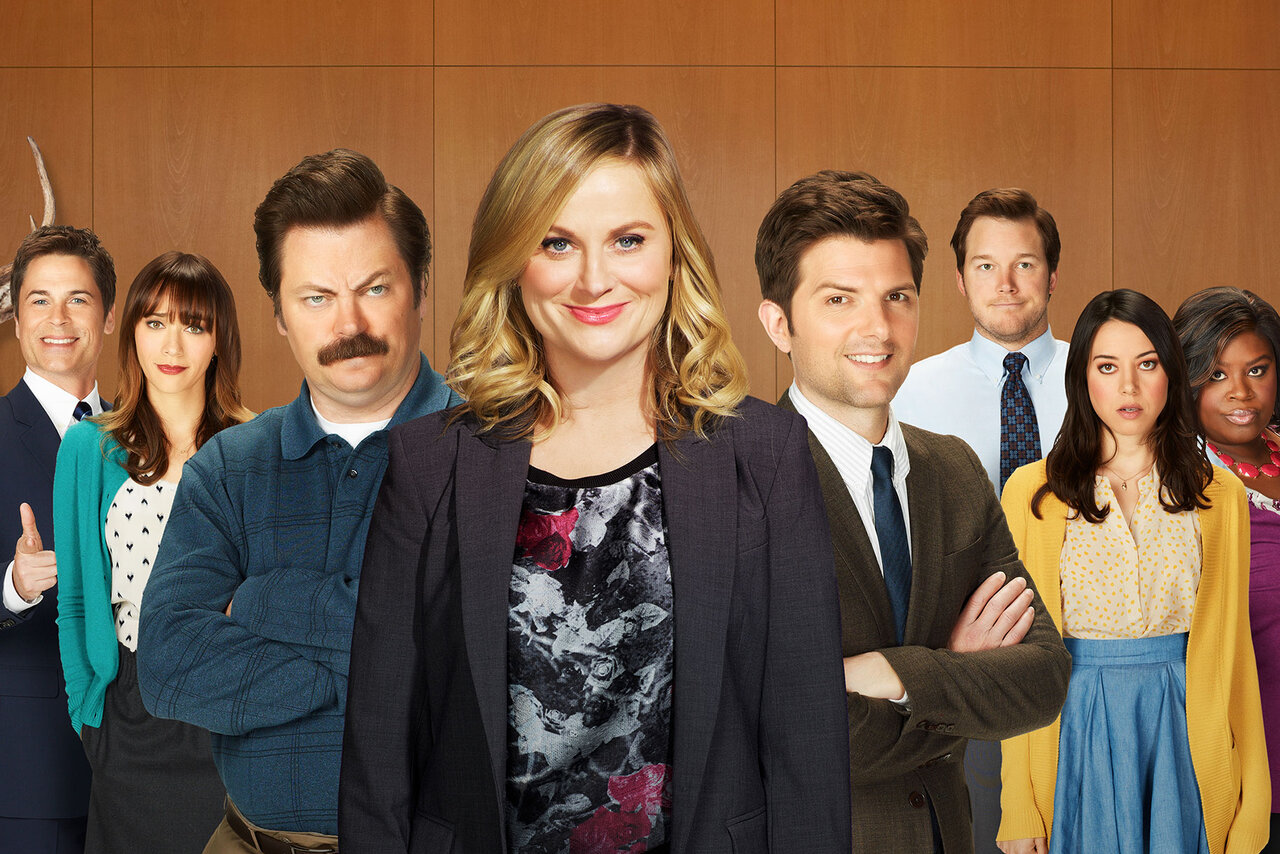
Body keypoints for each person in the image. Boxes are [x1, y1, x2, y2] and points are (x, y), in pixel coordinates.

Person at [339, 103, 851, 853]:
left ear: (674, 254)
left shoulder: (766, 456)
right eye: (556, 243)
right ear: (514, 259)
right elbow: (380, 752)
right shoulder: (428, 464)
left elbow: (807, 747)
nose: (593, 279)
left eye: (628, 240)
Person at [137, 149, 460, 854]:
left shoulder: (496, 454)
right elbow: (164, 665)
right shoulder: (229, 468)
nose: (349, 323)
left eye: (374, 289)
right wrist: (383, 659)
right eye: (315, 298)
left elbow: (483, 659)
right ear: (280, 315)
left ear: (420, 290)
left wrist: (259, 604)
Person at [754, 170, 1070, 854]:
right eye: (840, 299)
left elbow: (1043, 679)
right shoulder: (736, 480)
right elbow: (787, 731)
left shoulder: (952, 469)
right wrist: (949, 668)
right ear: (779, 323)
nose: (878, 327)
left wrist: (893, 674)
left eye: (896, 296)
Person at [998, 289, 1269, 854]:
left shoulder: (1220, 495)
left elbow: (1234, 657)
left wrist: (1251, 813)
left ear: (1171, 374)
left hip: (1184, 726)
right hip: (1071, 720)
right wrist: (1019, 808)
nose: (1128, 387)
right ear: (1083, 379)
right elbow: (1016, 662)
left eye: (1147, 364)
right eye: (1107, 366)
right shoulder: (1032, 493)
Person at [892, 187, 1069, 854]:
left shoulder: (1111, 378)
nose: (1006, 283)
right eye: (985, 265)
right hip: (962, 658)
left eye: (1024, 263)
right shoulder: (907, 388)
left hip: (1090, 659)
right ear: (961, 277)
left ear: (1052, 273)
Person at [54, 251, 250, 853]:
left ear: (218, 340)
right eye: (156, 321)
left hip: (226, 708)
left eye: (194, 325)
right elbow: (77, 601)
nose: (173, 343)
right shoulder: (89, 448)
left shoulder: (255, 447)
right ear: (132, 330)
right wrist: (90, 717)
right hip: (127, 714)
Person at [0, 226, 115, 853]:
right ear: (17, 320)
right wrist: (13, 587)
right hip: (29, 774)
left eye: (78, 298)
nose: (59, 318)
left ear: (107, 314)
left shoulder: (151, 436)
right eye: (40, 300)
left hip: (143, 764)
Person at [1175, 286, 1280, 854]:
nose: (1240, 393)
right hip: (1242, 765)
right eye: (1215, 375)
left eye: (1257, 370)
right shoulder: (1173, 489)